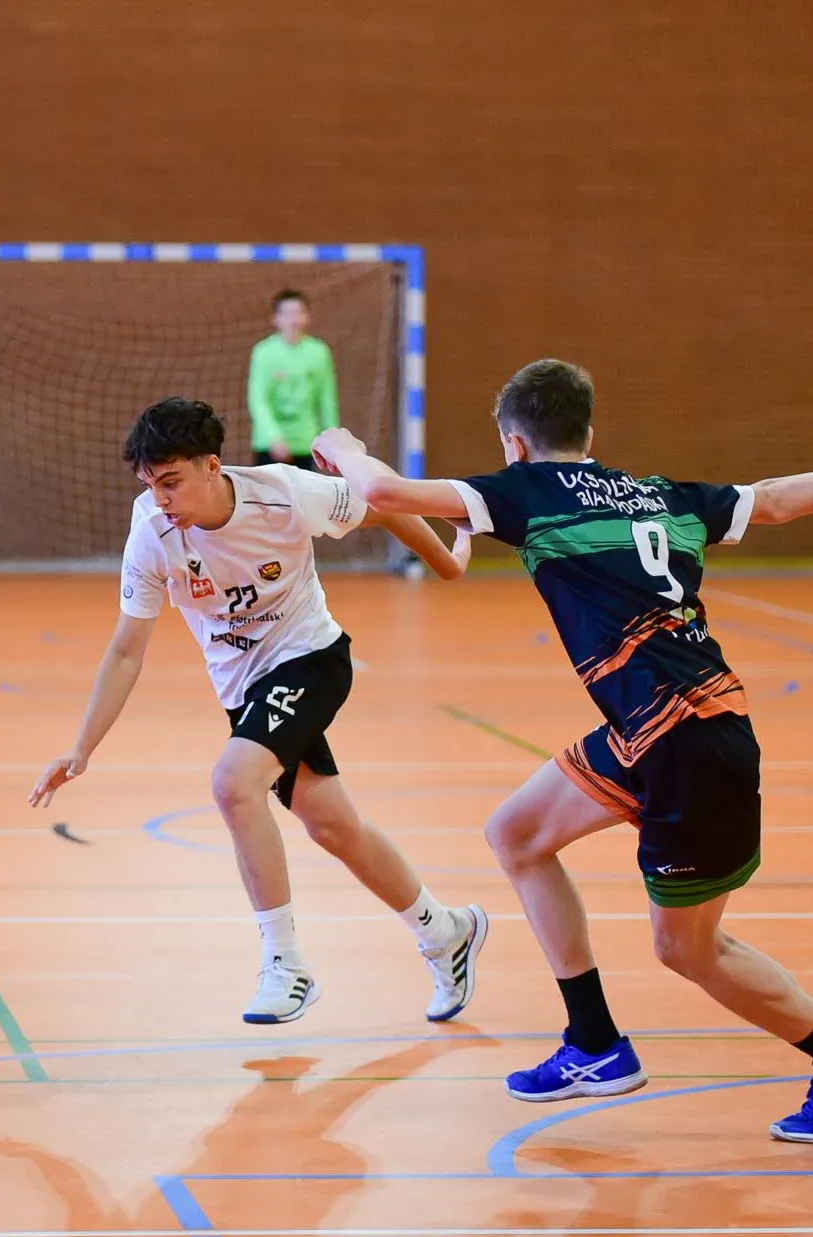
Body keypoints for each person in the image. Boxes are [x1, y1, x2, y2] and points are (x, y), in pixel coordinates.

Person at [313, 358, 813, 1141]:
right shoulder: (661, 493)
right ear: (589, 432)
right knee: (516, 833)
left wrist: (339, 444)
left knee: (688, 949)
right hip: (649, 733)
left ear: (514, 442)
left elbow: (379, 491)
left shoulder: (526, 493)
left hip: (688, 741)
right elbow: (780, 499)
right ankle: (593, 1043)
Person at [29, 397, 487, 1026]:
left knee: (232, 783)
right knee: (334, 828)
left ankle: (286, 964)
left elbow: (382, 506)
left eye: (171, 482)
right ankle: (446, 930)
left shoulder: (286, 494)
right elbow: (126, 650)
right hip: (246, 693)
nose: (160, 498)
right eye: (148, 485)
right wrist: (82, 748)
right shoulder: (152, 532)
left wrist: (446, 562)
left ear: (213, 466)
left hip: (311, 659)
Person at [247, 289, 339, 470]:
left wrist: (334, 439)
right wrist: (274, 437)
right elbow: (258, 400)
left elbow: (327, 400)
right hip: (269, 444)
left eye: (298, 312)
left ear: (307, 316)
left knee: (302, 497)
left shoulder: (319, 352)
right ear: (276, 318)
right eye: (287, 313)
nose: (293, 319)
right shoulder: (264, 352)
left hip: (305, 443)